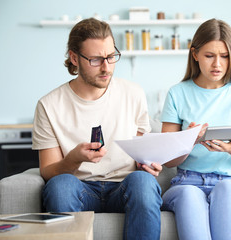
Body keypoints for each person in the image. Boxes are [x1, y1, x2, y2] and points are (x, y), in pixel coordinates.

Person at [32, 18, 162, 240]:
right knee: (60, 186)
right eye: (95, 59)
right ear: (74, 58)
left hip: (124, 187)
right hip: (78, 187)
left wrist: (147, 166)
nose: (106, 67)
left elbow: (142, 154)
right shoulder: (49, 105)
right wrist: (73, 159)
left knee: (144, 182)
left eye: (111, 57)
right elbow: (47, 172)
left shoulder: (133, 93)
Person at [161, 18, 231, 240]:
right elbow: (167, 161)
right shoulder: (177, 93)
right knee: (189, 194)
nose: (217, 64)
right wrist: (188, 141)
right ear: (195, 54)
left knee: (226, 190)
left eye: (224, 56)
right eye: (209, 56)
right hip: (186, 182)